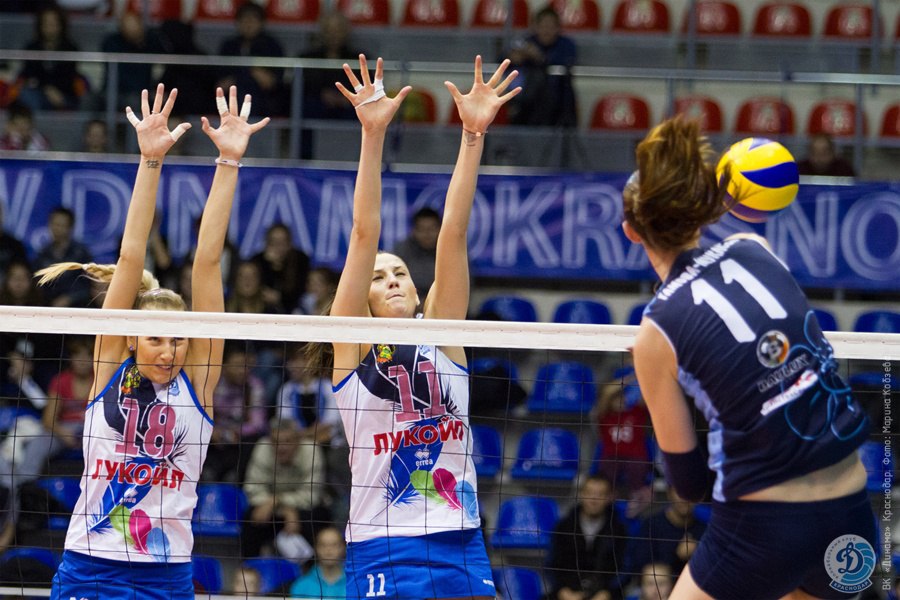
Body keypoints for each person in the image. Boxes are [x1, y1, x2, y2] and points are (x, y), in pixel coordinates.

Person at [623, 116, 875, 600]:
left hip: (765, 528)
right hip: (852, 515)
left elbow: (689, 485)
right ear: (701, 217)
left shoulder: (654, 334)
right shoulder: (754, 248)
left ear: (631, 232)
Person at [36, 82, 269, 599]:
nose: (170, 350)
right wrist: (150, 161)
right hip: (90, 565)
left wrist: (229, 161)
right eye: (157, 339)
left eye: (179, 340)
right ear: (131, 340)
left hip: (165, 574)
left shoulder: (198, 384)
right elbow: (131, 254)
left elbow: (207, 262)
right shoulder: (108, 366)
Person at [324, 54, 519, 600]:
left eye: (401, 274)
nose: (391, 280)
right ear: (363, 299)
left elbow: (453, 232)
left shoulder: (443, 333)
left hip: (459, 538)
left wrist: (473, 135)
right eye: (378, 277)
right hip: (381, 542)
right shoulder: (352, 346)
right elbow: (363, 233)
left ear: (417, 291)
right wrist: (372, 136)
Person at [546, 474, 627, 600]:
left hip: (605, 595)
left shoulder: (619, 530)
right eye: (589, 493)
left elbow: (625, 568)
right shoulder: (564, 526)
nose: (593, 499)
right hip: (567, 593)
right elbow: (551, 564)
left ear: (608, 498)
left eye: (600, 494)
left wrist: (608, 593)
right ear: (581, 494)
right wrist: (562, 591)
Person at [507, 6, 577, 127]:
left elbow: (565, 62)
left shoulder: (566, 45)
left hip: (559, 101)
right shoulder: (527, 42)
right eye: (543, 26)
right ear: (535, 27)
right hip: (527, 104)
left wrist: (539, 57)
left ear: (558, 28)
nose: (546, 31)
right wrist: (513, 58)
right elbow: (505, 58)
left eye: (551, 27)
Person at [217, 1, 286, 117]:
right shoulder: (229, 46)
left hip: (264, 100)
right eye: (244, 20)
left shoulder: (272, 45)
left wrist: (249, 69)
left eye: (253, 20)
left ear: (262, 23)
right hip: (232, 96)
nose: (248, 24)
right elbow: (221, 83)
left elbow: (271, 82)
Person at [625, 487, 706, 581]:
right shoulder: (651, 525)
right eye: (680, 493)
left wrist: (698, 553)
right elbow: (641, 566)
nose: (684, 499)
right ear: (669, 494)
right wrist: (677, 556)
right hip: (657, 586)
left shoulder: (705, 530)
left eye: (689, 493)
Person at [16, 3, 87, 111]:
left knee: (85, 99)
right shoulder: (32, 48)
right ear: (40, 25)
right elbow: (30, 76)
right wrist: (47, 89)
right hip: (39, 93)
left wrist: (57, 93)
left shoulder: (71, 48)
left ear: (61, 24)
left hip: (65, 95)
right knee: (27, 95)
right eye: (46, 23)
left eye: (53, 23)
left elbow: (69, 77)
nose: (50, 27)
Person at [32, 206, 94, 308]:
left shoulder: (81, 254)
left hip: (78, 307)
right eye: (54, 224)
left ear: (70, 227)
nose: (57, 229)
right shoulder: (43, 254)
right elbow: (37, 285)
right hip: (49, 308)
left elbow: (89, 285)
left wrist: (70, 298)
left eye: (61, 225)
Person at [390, 206, 441, 300]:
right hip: (407, 301)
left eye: (432, 229)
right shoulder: (401, 250)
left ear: (440, 229)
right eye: (422, 229)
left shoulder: (450, 250)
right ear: (413, 230)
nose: (427, 234)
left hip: (443, 302)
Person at [290, 526, 347, 599]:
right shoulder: (301, 586)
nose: (328, 550)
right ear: (316, 548)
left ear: (343, 548)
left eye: (334, 545)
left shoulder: (354, 583)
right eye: (323, 545)